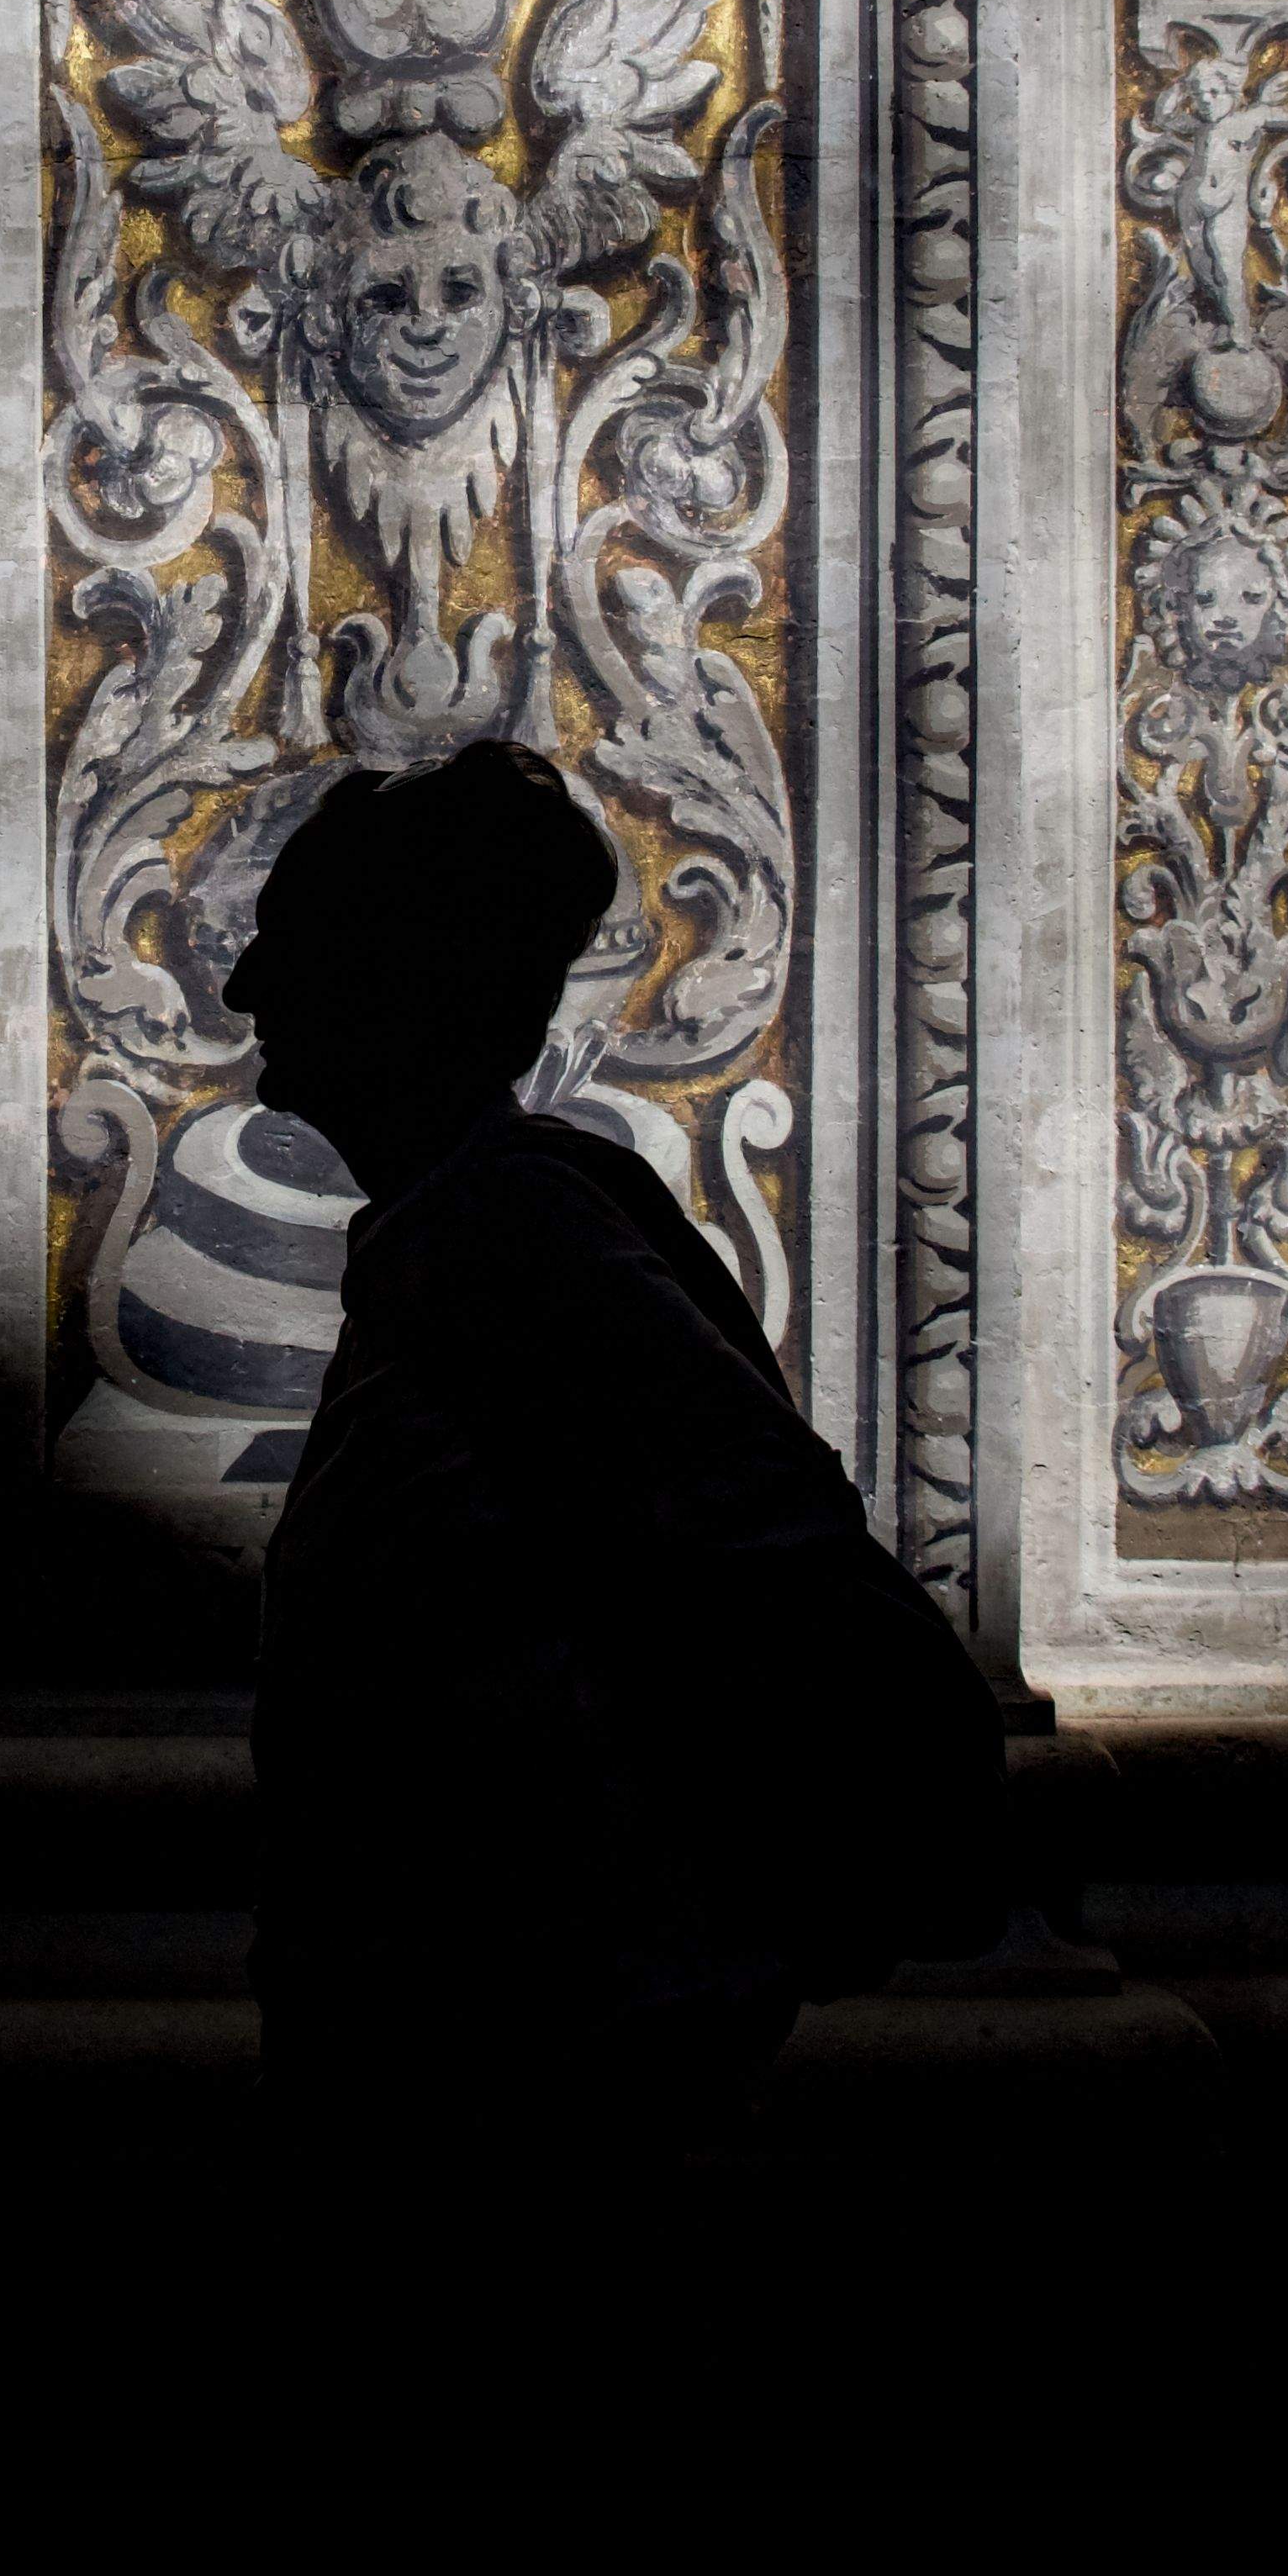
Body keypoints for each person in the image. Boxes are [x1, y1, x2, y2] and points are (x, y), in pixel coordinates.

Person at [230, 738, 1008, 2170]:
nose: (242, 990)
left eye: (286, 948)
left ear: (397, 983)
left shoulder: (516, 1249)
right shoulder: (466, 1234)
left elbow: (774, 1584)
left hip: (545, 2120)